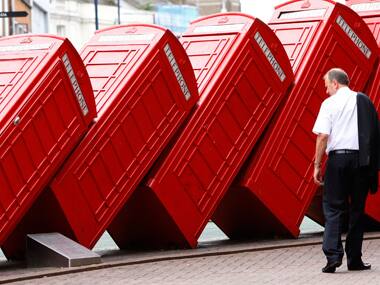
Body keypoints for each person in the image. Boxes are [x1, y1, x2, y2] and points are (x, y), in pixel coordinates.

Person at [312, 68, 379, 273]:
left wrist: (316, 165)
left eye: (326, 86)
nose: (326, 91)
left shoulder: (329, 104)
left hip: (338, 161)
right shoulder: (365, 101)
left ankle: (333, 257)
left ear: (335, 83)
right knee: (357, 210)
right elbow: (375, 133)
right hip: (360, 162)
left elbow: (323, 136)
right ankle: (354, 259)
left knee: (333, 209)